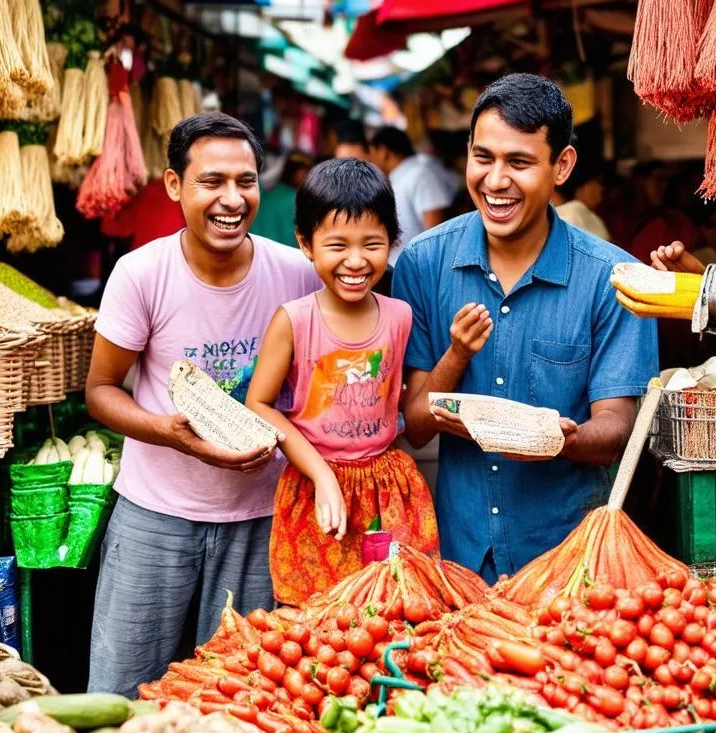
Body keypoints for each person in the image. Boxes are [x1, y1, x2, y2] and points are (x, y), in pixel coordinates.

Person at [85, 112, 318, 697]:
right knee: (121, 695)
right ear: (173, 186)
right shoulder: (140, 274)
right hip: (153, 518)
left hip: (262, 521)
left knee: (243, 697)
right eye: (212, 181)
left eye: (246, 181)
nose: (232, 199)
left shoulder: (295, 273)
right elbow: (101, 391)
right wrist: (168, 430)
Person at [392, 74, 658, 580]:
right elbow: (418, 425)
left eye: (519, 162)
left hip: (571, 562)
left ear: (562, 166)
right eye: (483, 157)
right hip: (460, 556)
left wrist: (559, 439)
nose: (495, 181)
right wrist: (456, 358)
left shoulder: (614, 279)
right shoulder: (423, 264)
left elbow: (617, 429)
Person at [247, 159, 439, 606]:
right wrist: (321, 475)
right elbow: (259, 403)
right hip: (313, 486)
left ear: (392, 243)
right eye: (337, 245)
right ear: (306, 244)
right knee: (313, 617)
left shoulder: (401, 317)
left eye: (372, 244)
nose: (355, 261)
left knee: (393, 607)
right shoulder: (293, 320)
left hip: (388, 489)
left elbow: (410, 399)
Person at [368, 127, 454, 264]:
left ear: (383, 152)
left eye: (371, 154)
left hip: (418, 272)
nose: (370, 160)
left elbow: (435, 230)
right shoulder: (397, 178)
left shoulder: (420, 175)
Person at [252, 151, 313, 248]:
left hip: (259, 249)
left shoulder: (268, 194)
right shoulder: (297, 199)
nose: (310, 177)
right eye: (307, 171)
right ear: (296, 172)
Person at [554, 162, 611, 241]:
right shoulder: (572, 212)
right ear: (581, 188)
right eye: (595, 182)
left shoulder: (576, 213)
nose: (600, 188)